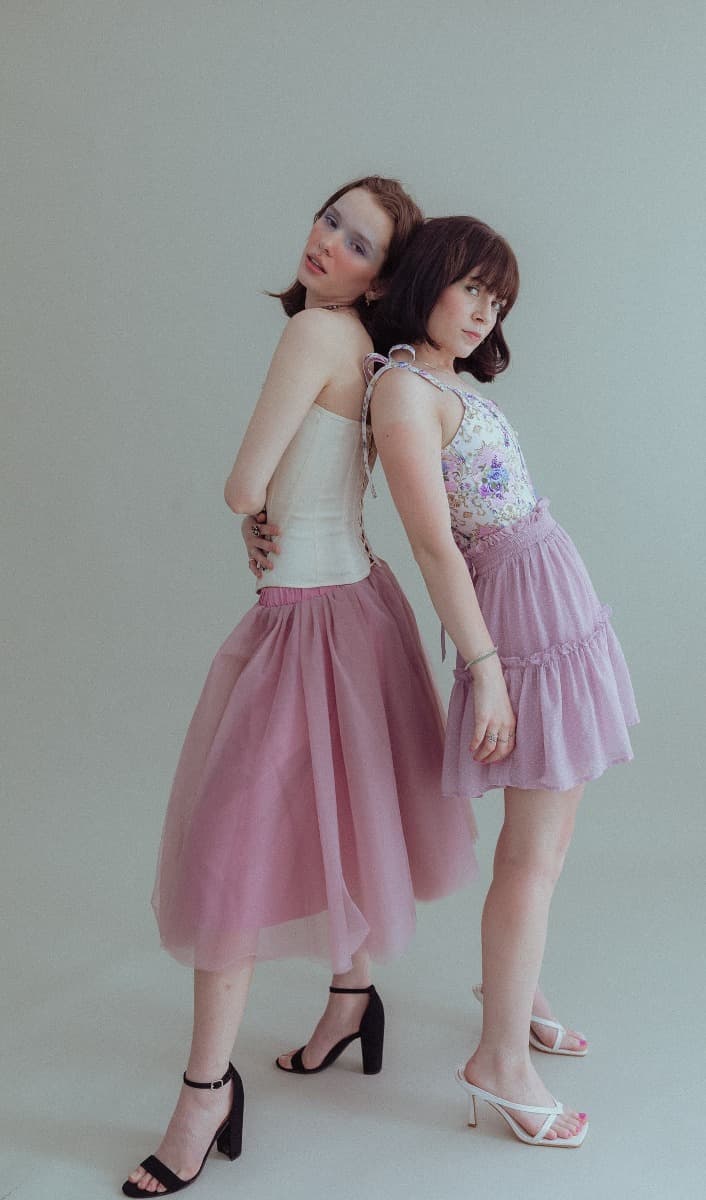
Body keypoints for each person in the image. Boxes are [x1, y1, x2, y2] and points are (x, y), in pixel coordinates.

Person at [122, 181, 479, 1195]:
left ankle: (203, 1092)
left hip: (306, 622)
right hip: (360, 611)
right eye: (331, 220)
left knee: (230, 862)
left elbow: (246, 484)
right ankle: (352, 996)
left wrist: (248, 509)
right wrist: (267, 512)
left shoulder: (320, 337)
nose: (329, 244)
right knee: (343, 822)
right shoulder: (374, 352)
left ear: (381, 274)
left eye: (357, 242)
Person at [364, 216, 638, 1148]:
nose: (484, 313)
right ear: (428, 280)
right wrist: (484, 672)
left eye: (498, 299)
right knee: (531, 853)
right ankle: (498, 1064)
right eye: (471, 289)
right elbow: (434, 544)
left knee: (548, 846)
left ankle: (512, 992)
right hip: (516, 627)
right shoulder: (401, 391)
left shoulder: (438, 380)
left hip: (552, 606)